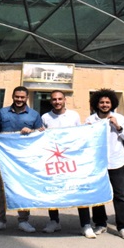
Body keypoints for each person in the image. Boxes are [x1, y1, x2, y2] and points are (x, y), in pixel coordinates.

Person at [0, 86, 43, 233]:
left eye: (22, 97)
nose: (19, 99)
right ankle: (0, 220)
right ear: (12, 96)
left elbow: (41, 133)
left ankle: (23, 220)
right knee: (1, 188)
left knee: (23, 186)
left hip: (24, 158)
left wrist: (32, 131)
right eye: (17, 97)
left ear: (27, 98)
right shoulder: (2, 112)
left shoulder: (34, 115)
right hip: (3, 157)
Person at [80, 89, 124, 240]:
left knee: (121, 195)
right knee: (98, 195)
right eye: (101, 102)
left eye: (107, 102)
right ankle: (100, 223)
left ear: (112, 104)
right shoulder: (90, 120)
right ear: (96, 104)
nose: (104, 105)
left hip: (116, 162)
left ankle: (123, 226)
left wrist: (118, 126)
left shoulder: (119, 118)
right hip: (97, 163)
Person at [40, 90, 82, 234]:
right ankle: (54, 221)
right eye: (54, 99)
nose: (57, 102)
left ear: (65, 100)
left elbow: (81, 135)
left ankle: (85, 223)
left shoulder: (74, 116)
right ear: (50, 101)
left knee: (78, 190)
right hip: (53, 160)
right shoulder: (45, 117)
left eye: (59, 99)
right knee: (53, 191)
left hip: (71, 160)